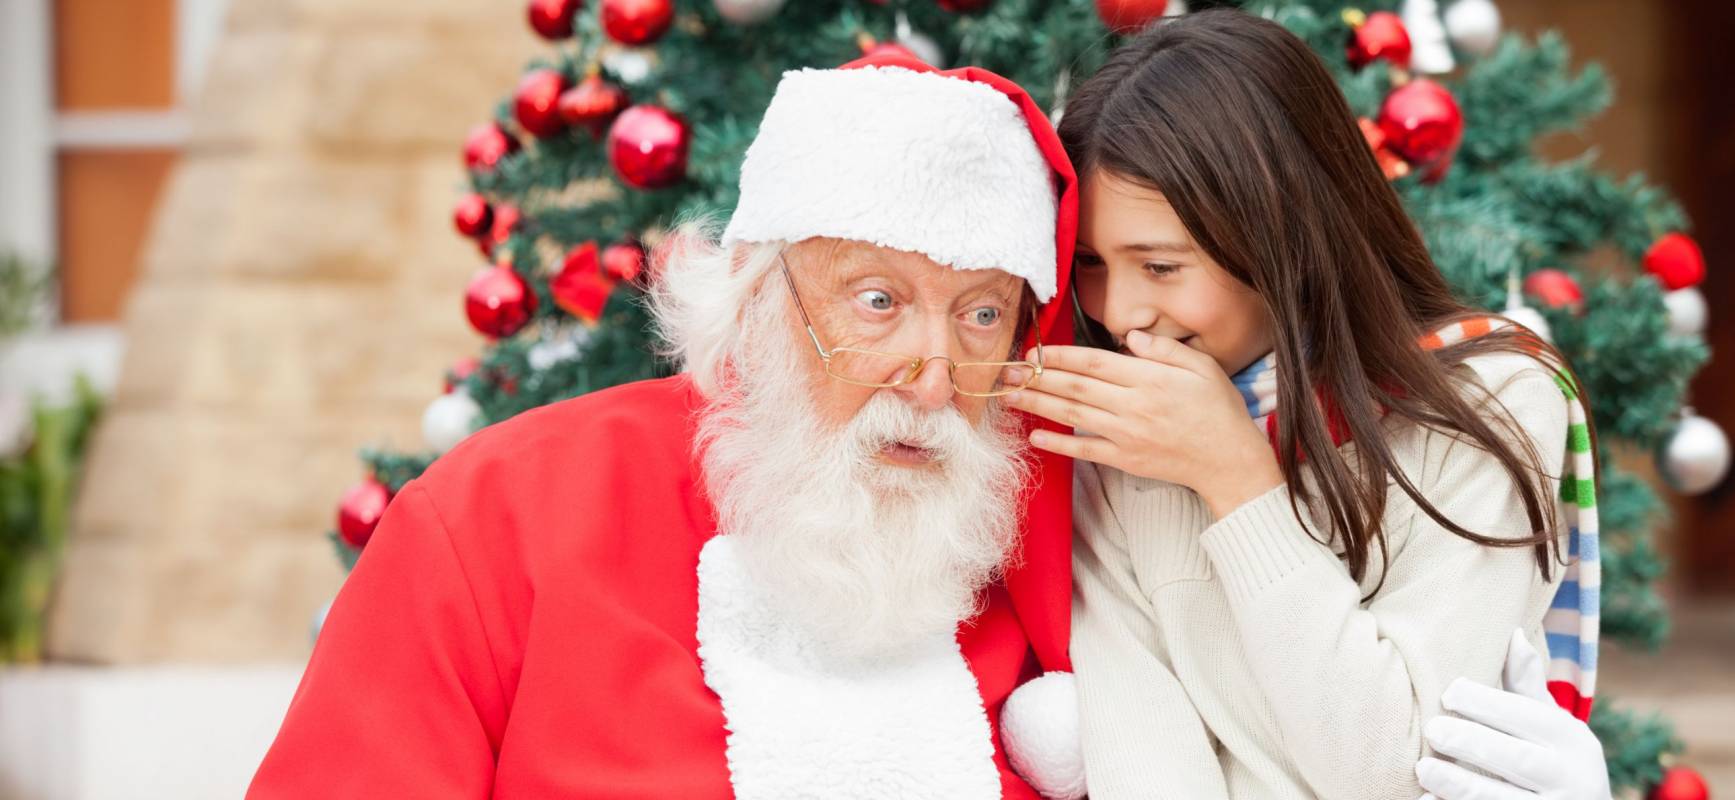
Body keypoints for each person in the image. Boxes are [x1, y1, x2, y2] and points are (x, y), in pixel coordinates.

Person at [251, 50, 1608, 800]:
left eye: (980, 316)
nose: (928, 368)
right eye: (880, 299)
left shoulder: (1030, 507)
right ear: (760, 297)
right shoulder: (504, 520)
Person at [998, 9, 1608, 799]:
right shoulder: (1115, 429)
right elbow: (1143, 752)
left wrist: (1239, 484)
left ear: (1279, 233)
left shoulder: (1485, 402)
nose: (1120, 314)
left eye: (1159, 265)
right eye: (1090, 264)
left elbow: (1393, 770)